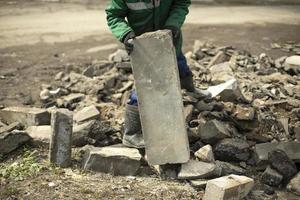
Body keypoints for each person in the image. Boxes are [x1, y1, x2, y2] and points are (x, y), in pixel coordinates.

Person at [106, 0, 210, 148]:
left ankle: (191, 91)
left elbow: (181, 3)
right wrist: (125, 34)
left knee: (180, 64)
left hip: (171, 42)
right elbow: (114, 15)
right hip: (144, 50)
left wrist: (173, 24)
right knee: (144, 86)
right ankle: (131, 133)